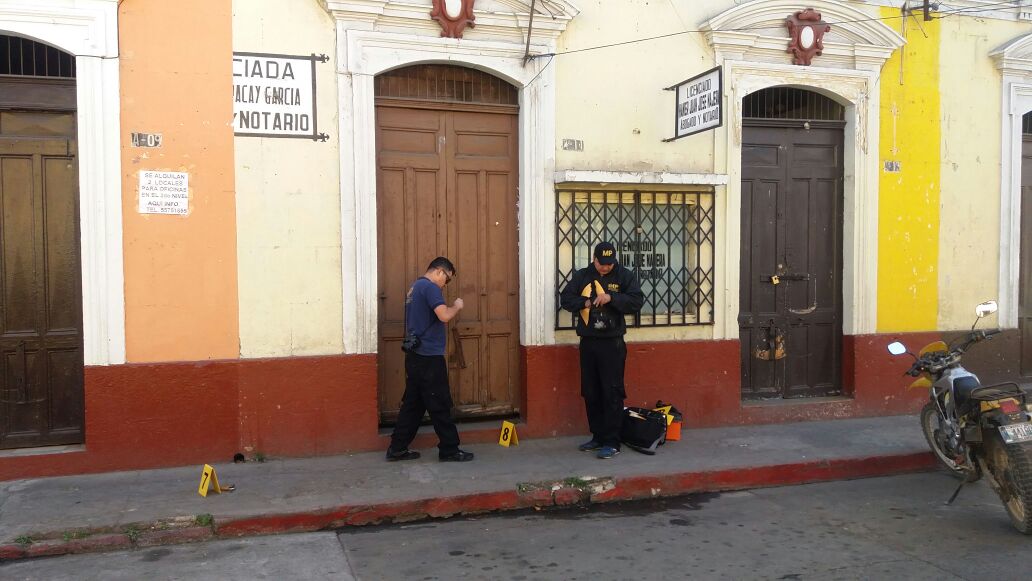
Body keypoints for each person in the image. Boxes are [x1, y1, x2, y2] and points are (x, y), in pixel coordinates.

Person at [559, 242, 644, 459]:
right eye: (602, 264)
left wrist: (612, 298)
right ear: (594, 259)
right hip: (589, 342)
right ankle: (597, 436)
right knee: (591, 391)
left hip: (612, 343)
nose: (606, 268)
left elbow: (636, 301)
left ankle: (612, 441)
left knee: (611, 391)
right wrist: (585, 302)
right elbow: (566, 299)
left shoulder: (623, 275)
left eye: (609, 264)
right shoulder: (582, 276)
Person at [386, 257, 475, 463]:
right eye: (448, 279)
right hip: (429, 357)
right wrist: (456, 306)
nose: (446, 284)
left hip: (415, 356)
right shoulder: (431, 288)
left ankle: (397, 447)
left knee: (413, 404)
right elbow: (443, 316)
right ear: (439, 272)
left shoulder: (414, 287)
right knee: (440, 403)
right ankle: (449, 449)